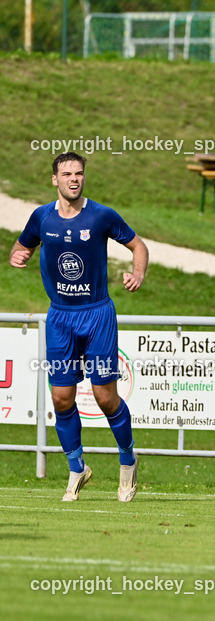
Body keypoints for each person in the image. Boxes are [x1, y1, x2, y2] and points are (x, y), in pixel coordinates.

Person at [9, 152, 148, 502]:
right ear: (54, 180)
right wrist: (18, 254)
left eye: (79, 173)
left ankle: (128, 462)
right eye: (67, 173)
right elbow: (23, 244)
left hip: (97, 315)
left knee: (105, 397)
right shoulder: (41, 216)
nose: (74, 179)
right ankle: (76, 469)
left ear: (84, 178)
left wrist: (138, 272)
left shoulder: (101, 215)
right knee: (61, 397)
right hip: (60, 318)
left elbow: (138, 245)